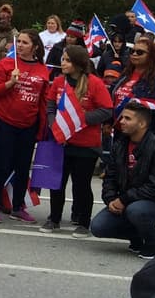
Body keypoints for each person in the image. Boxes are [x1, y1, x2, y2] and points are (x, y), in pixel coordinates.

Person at [41, 44, 113, 235]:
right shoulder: (58, 81)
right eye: (62, 59)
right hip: (61, 141)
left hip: (86, 145)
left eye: (67, 60)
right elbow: (50, 106)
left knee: (81, 185)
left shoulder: (94, 83)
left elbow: (107, 110)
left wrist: (80, 119)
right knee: (57, 183)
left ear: (78, 64)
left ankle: (83, 222)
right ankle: (54, 218)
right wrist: (54, 125)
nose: (63, 63)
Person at [0, 29, 49, 223]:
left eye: (25, 42)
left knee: (22, 168)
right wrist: (10, 83)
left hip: (28, 125)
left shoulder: (42, 69)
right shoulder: (5, 64)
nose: (20, 45)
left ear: (35, 47)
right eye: (18, 41)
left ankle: (18, 207)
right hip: (5, 123)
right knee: (2, 166)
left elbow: (43, 101)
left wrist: (42, 128)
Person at [91, 100, 155, 257]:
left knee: (136, 211)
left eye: (127, 118)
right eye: (122, 117)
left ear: (142, 124)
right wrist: (111, 200)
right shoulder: (119, 145)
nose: (121, 121)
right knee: (98, 227)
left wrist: (124, 200)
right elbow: (110, 177)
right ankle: (137, 237)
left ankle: (154, 242)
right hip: (127, 201)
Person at [111, 36, 155, 139]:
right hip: (120, 133)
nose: (134, 54)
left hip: (146, 136)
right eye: (132, 51)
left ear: (151, 56)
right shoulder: (124, 76)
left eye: (140, 52)